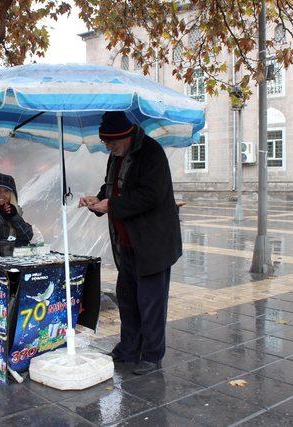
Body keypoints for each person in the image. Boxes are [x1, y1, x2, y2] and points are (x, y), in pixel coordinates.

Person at [79, 111, 182, 375]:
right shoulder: (116, 157)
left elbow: (151, 195)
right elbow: (110, 188)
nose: (109, 147)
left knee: (151, 302)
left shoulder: (151, 152)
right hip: (125, 243)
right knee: (127, 299)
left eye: (112, 142)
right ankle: (128, 348)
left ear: (126, 136)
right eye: (105, 142)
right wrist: (97, 200)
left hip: (152, 244)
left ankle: (151, 355)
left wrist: (111, 204)